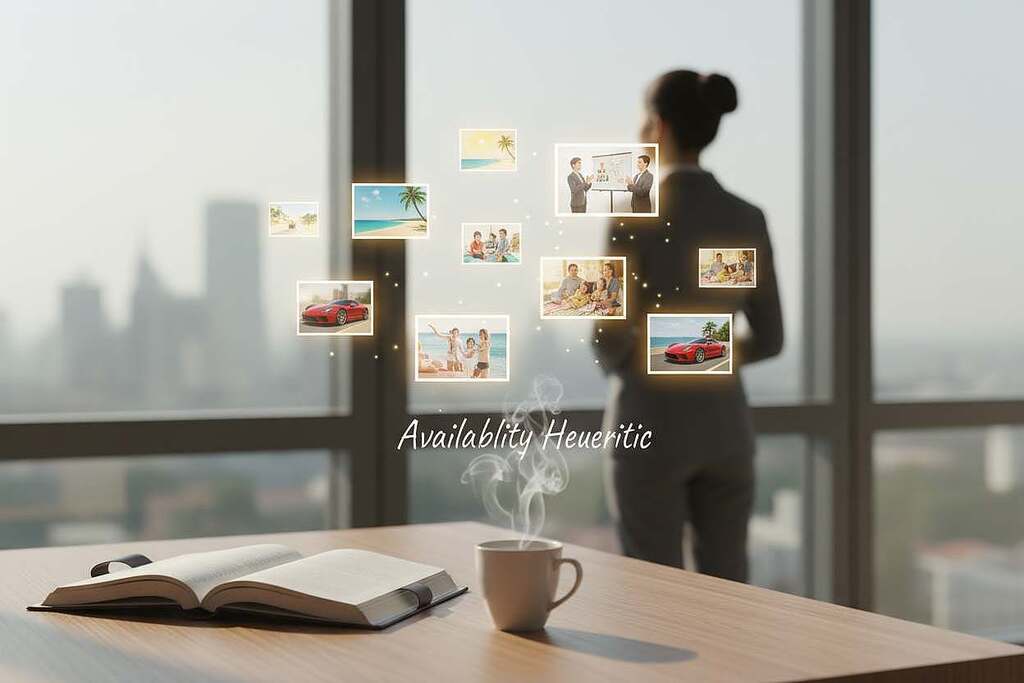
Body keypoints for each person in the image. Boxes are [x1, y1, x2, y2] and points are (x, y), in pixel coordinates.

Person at [595, 70, 783, 582]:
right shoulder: (748, 217)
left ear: (657, 124)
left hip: (649, 426)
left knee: (655, 598)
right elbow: (771, 338)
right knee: (728, 599)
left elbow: (605, 336)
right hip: (726, 429)